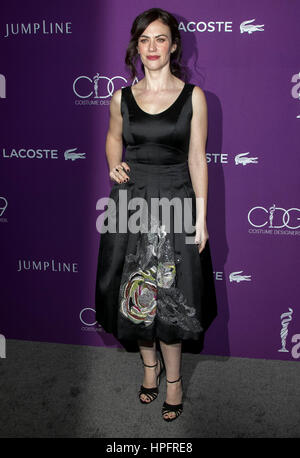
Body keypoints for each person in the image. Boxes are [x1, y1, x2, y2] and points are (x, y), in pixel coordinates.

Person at [95, 7, 218, 422]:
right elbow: (114, 140)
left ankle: (175, 380)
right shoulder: (121, 98)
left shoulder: (193, 97)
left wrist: (201, 218)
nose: (152, 46)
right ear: (136, 46)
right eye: (144, 39)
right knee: (135, 298)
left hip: (176, 203)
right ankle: (150, 370)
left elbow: (198, 160)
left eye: (160, 38)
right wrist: (114, 163)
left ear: (174, 45)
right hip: (130, 206)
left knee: (171, 298)